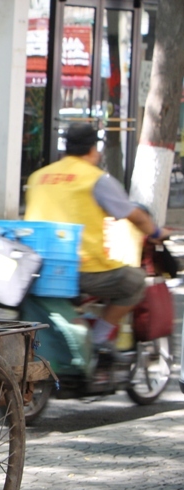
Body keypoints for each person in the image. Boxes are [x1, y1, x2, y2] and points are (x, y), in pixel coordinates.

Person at [24, 122, 171, 352]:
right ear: (93, 150)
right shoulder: (96, 179)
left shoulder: (38, 177)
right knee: (134, 282)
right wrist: (156, 232)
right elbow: (136, 216)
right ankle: (98, 341)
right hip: (83, 270)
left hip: (38, 266)